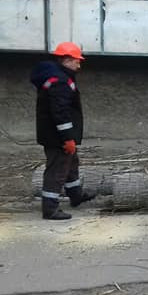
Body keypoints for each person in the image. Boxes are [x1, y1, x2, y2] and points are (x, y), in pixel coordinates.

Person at [31, 42, 96, 220]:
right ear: (66, 60)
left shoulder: (61, 76)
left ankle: (75, 195)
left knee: (71, 163)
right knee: (57, 170)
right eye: (77, 61)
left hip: (57, 134)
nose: (79, 64)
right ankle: (50, 209)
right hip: (57, 137)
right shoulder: (60, 81)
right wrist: (67, 138)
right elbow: (60, 113)